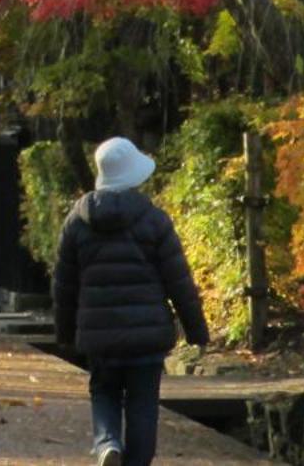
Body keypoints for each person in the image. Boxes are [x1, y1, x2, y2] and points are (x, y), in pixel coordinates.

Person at [52, 137, 210, 466]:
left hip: (100, 335)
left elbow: (64, 286)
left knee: (104, 392)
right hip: (146, 335)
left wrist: (65, 333)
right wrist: (197, 331)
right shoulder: (154, 220)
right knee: (142, 403)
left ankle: (108, 442)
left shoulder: (76, 224)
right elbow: (178, 281)